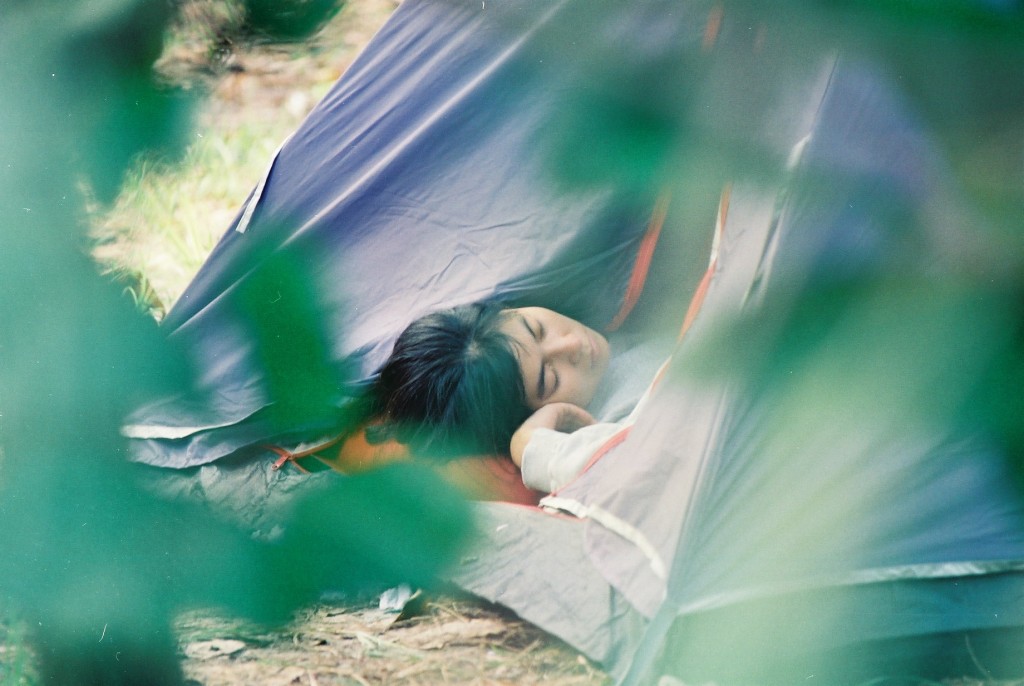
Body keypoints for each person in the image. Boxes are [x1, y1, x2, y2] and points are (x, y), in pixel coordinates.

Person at [374, 301, 667, 491]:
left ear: (512, 309)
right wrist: (533, 447)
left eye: (537, 328)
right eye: (549, 380)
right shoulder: (611, 428)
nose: (572, 343)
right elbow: (641, 477)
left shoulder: (600, 297)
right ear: (530, 418)